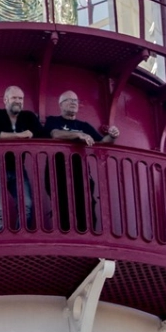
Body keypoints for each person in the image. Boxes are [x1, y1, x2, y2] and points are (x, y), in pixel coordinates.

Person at [43, 91, 117, 232]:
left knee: (87, 205)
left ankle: (87, 237)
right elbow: (55, 134)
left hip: (80, 173)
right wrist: (78, 134)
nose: (73, 103)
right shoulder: (53, 120)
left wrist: (112, 136)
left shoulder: (84, 125)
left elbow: (102, 142)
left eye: (76, 101)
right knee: (62, 206)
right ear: (60, 105)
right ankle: (65, 239)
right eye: (69, 100)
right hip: (57, 172)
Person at [0, 85, 42, 232]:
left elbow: (41, 134)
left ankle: (21, 237)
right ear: (5, 100)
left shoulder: (28, 117)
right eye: (14, 97)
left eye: (21, 98)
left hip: (17, 169)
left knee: (26, 206)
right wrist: (21, 135)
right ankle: (0, 241)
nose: (18, 101)